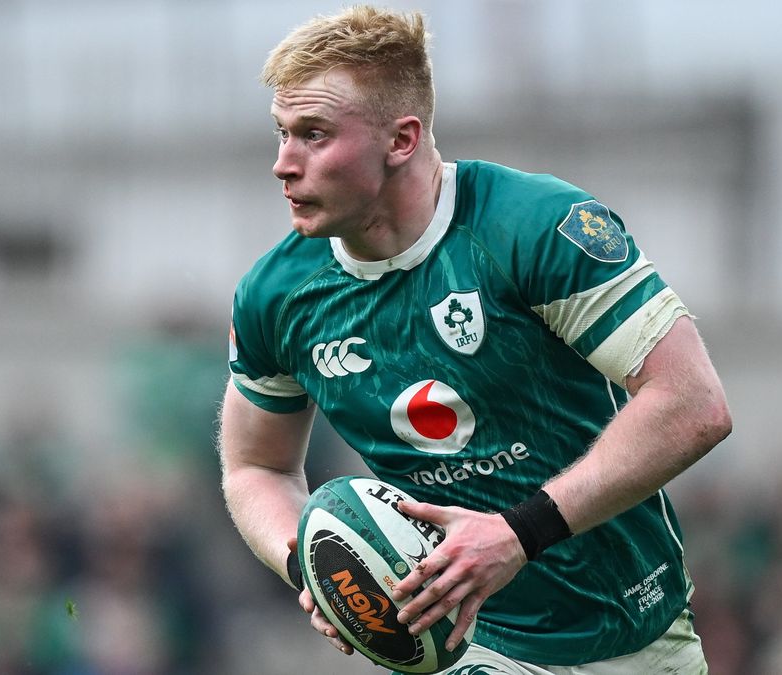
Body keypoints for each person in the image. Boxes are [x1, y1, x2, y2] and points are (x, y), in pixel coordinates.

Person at [217, 6, 732, 673]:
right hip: (473, 648)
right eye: (282, 134)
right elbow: (256, 465)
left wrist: (520, 532)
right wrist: (309, 558)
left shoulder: (533, 227)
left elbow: (693, 403)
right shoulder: (276, 295)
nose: (283, 164)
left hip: (637, 635)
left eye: (313, 135)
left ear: (401, 140)